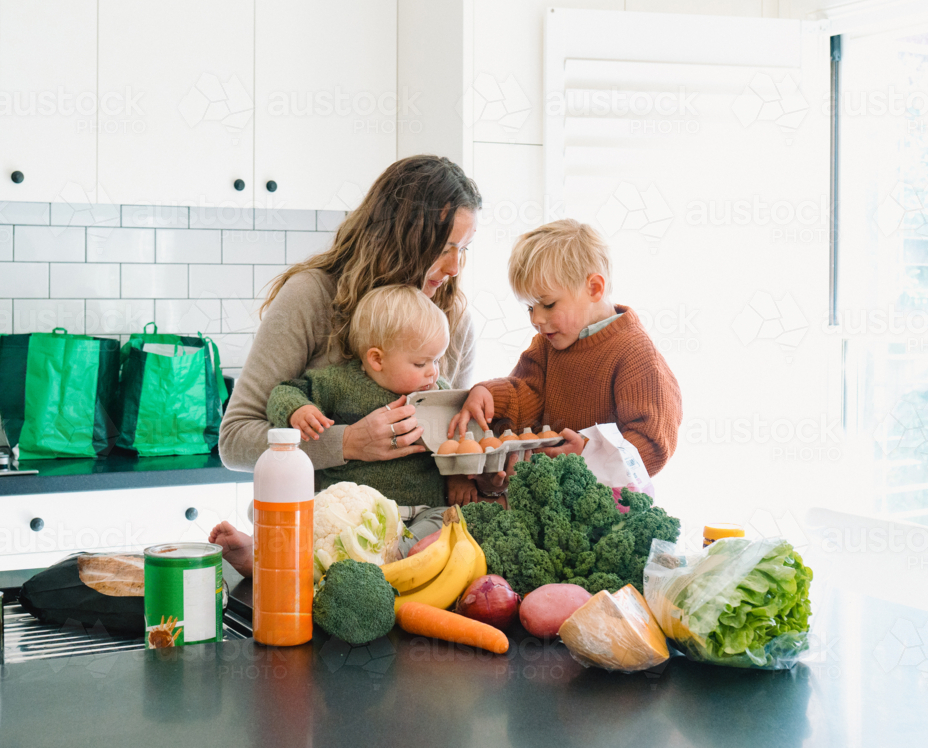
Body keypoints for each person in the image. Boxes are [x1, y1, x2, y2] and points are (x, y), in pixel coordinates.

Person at [212, 155, 483, 574]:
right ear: (401, 237)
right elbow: (234, 439)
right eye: (445, 250)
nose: (454, 268)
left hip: (417, 550)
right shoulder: (311, 299)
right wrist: (346, 443)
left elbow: (451, 442)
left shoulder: (452, 320)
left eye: (464, 250)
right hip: (314, 550)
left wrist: (475, 471)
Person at [450, 218, 682, 492]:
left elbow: (653, 441)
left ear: (594, 288)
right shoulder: (546, 346)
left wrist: (587, 454)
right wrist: (489, 394)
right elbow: (527, 396)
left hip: (608, 505)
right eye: (529, 308)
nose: (536, 319)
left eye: (548, 304)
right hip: (553, 496)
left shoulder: (634, 353)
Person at [268, 285, 452, 505]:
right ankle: (249, 541)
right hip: (353, 512)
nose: (433, 372)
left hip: (425, 510)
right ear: (377, 359)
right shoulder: (337, 383)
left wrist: (461, 479)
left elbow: (457, 442)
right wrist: (297, 409)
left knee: (445, 526)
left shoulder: (440, 391)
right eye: (420, 363)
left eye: (437, 360)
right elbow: (283, 392)